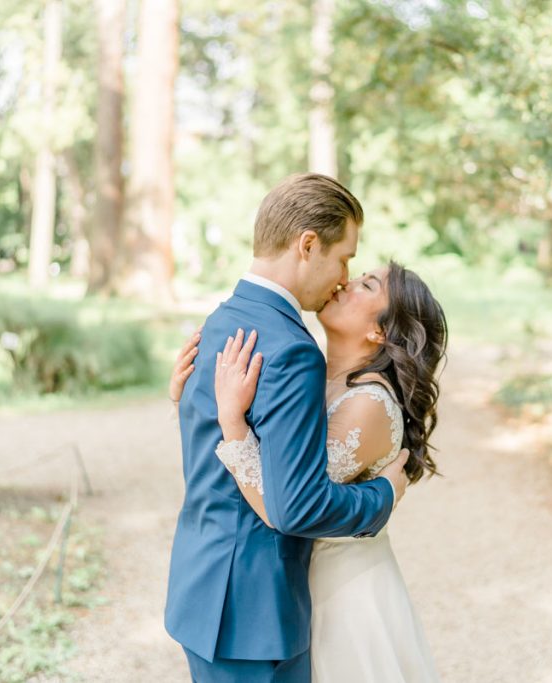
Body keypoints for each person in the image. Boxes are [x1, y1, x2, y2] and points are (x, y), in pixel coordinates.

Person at [164, 174, 411, 682]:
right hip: (256, 612)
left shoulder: (220, 321)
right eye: (344, 258)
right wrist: (383, 496)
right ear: (307, 245)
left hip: (201, 588)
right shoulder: (293, 350)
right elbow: (296, 505)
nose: (343, 276)